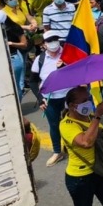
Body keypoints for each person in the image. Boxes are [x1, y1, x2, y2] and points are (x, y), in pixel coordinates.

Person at [60, 87, 103, 206]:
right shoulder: (66, 125)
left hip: (100, 171)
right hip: (80, 178)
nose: (88, 102)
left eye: (88, 98)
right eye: (84, 100)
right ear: (72, 105)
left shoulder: (89, 117)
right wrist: (97, 116)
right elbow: (86, 142)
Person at [32, 30, 71, 167]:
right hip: (50, 99)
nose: (53, 43)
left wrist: (64, 66)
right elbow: (33, 81)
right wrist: (40, 98)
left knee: (72, 122)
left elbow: (77, 72)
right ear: (44, 44)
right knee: (54, 125)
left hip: (69, 96)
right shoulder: (40, 59)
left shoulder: (67, 55)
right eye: (49, 40)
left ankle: (73, 149)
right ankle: (57, 151)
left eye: (55, 39)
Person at [0, 10, 27, 100]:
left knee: (16, 85)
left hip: (14, 57)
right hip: (0, 58)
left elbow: (24, 44)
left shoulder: (15, 28)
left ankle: (18, 109)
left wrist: (11, 43)